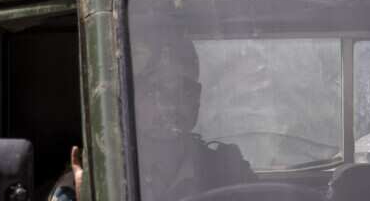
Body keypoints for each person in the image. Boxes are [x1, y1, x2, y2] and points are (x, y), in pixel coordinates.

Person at [49, 36, 256, 201]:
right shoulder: (92, 182)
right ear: (129, 98)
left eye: (184, 90)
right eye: (153, 91)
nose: (171, 104)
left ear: (197, 97)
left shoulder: (228, 170)